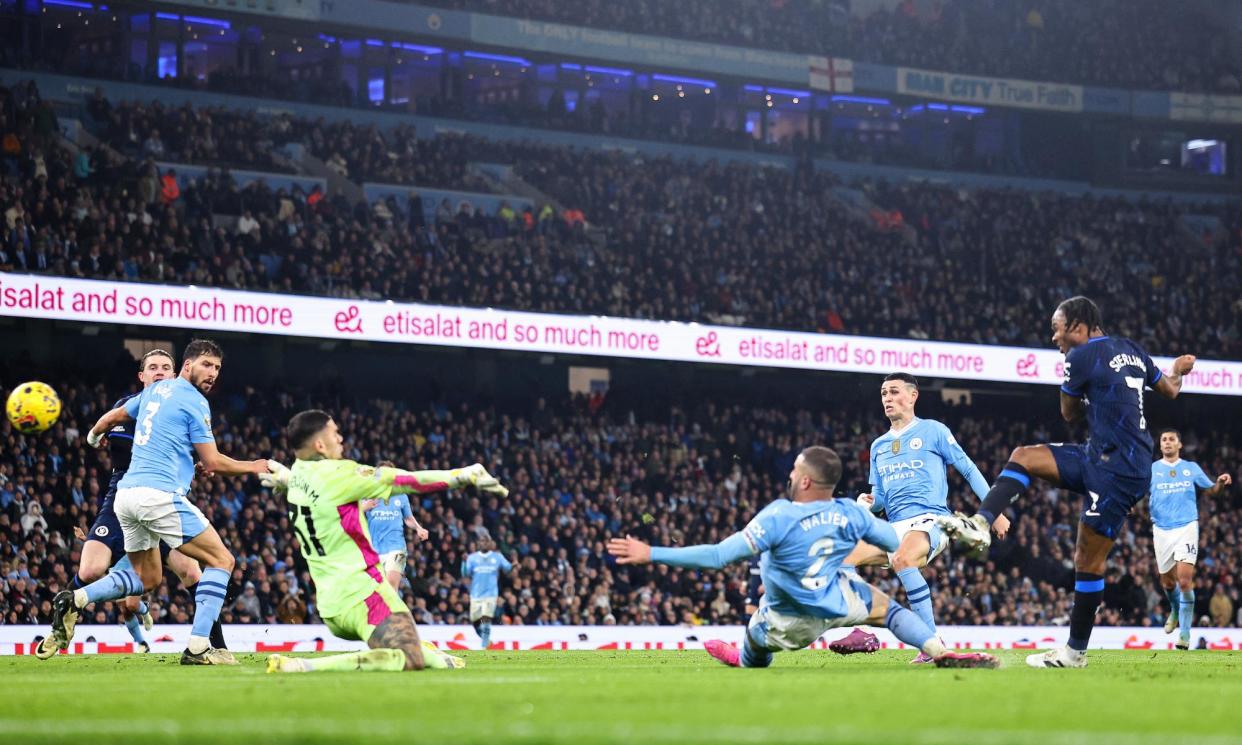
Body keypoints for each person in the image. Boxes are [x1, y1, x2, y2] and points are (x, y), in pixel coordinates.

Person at [937, 296, 1195, 668]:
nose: (1054, 337)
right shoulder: (1133, 350)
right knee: (1023, 456)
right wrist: (1179, 369)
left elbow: (1068, 414)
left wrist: (1078, 385)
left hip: (1120, 470)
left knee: (1087, 560)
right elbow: (1171, 389)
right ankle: (980, 524)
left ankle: (1074, 653)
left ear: (1078, 326)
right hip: (1100, 456)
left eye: (1057, 329)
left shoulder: (1080, 357)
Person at [607, 446, 999, 670]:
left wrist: (651, 552)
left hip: (787, 619)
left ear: (806, 480)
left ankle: (741, 656)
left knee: (754, 649)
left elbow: (717, 557)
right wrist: (865, 513)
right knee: (891, 612)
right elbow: (886, 538)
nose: (791, 474)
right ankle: (938, 650)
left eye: (795, 469)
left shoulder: (779, 514)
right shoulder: (848, 512)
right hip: (838, 604)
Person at [50, 339, 270, 665]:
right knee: (222, 561)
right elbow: (214, 462)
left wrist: (93, 436)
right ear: (187, 365)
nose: (212, 373)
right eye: (206, 365)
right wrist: (253, 466)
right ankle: (199, 647)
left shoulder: (151, 395)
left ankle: (77, 598)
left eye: (217, 368)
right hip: (158, 498)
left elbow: (113, 418)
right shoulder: (193, 401)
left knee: (149, 579)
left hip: (127, 497)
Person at [264, 409, 507, 674]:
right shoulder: (339, 474)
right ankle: (303, 666)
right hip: (364, 595)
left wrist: (287, 480)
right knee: (409, 657)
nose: (341, 438)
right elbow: (406, 480)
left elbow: (303, 482)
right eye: (335, 433)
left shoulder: (297, 474)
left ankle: (437, 657)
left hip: (330, 605)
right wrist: (463, 475)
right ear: (320, 444)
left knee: (412, 650)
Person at [35, 349, 209, 659]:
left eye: (165, 368)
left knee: (192, 573)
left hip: (165, 501)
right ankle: (62, 620)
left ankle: (209, 643)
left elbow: (198, 453)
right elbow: (115, 433)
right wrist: (93, 435)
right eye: (152, 367)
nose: (159, 371)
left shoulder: (184, 409)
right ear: (141, 377)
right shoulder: (127, 409)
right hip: (125, 500)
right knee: (90, 570)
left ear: (173, 375)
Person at [828, 372, 1001, 663]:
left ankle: (931, 644)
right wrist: (866, 502)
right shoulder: (878, 446)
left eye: (894, 392)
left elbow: (968, 469)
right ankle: (861, 631)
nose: (888, 399)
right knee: (843, 556)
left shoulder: (933, 430)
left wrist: (993, 512)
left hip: (931, 520)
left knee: (904, 558)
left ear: (912, 396)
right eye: (884, 394)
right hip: (895, 526)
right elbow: (880, 499)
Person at [1149, 429, 1232, 649]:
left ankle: (1184, 635)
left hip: (1186, 526)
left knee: (1184, 580)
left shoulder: (1191, 468)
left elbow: (1212, 491)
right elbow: (1137, 492)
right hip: (1161, 530)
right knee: (1167, 582)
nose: (1167, 442)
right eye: (1164, 440)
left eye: (1171, 439)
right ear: (1160, 446)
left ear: (1179, 445)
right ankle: (1175, 610)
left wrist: (1221, 482)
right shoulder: (1152, 470)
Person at [362, 462, 428, 592]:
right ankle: (391, 611)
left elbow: (408, 518)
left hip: (397, 547)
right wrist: (364, 507)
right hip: (375, 549)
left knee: (391, 584)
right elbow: (351, 514)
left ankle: (392, 610)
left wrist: (418, 528)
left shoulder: (401, 496)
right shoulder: (367, 495)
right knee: (378, 589)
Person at [462, 537, 513, 649]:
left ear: (490, 544)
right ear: (478, 544)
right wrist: (463, 562)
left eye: (486, 542)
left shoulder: (497, 557)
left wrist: (514, 565)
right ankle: (487, 641)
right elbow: (465, 573)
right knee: (475, 620)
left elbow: (508, 568)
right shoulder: (472, 558)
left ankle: (484, 646)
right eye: (481, 541)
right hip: (476, 594)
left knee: (486, 618)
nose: (483, 543)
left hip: (491, 594)